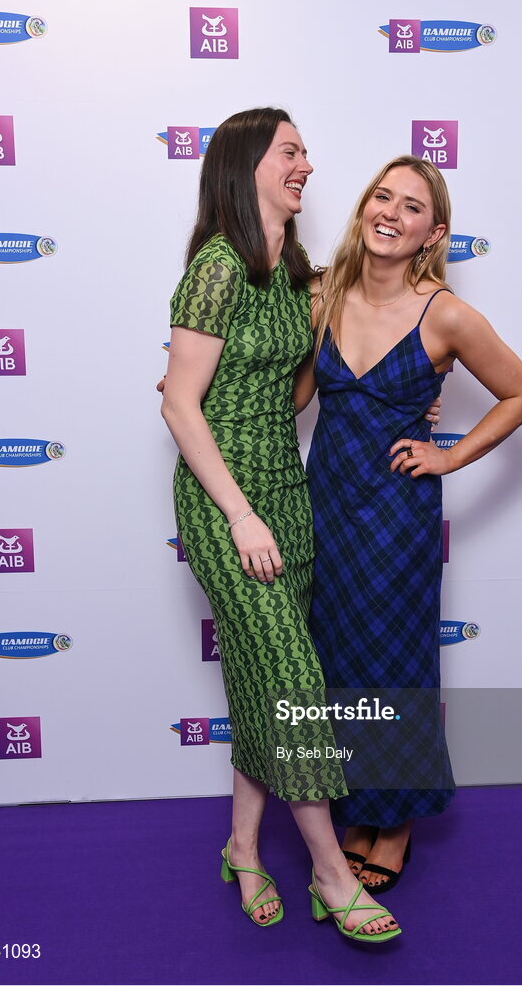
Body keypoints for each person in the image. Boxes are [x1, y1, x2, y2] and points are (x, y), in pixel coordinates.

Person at [160, 108, 402, 942]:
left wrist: (410, 396)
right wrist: (237, 515)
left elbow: (300, 390)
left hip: (285, 496)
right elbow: (178, 403)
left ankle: (243, 847)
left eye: (303, 153)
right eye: (290, 152)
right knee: (295, 685)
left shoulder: (295, 274)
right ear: (247, 165)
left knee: (265, 681)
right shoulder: (218, 270)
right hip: (228, 504)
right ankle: (333, 878)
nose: (306, 164)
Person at [295, 155, 522, 893]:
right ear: (364, 208)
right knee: (338, 660)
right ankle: (359, 808)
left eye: (410, 207)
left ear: (432, 233)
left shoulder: (447, 314)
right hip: (328, 505)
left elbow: (520, 395)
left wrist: (449, 456)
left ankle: (393, 823)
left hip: (396, 516)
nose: (390, 214)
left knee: (395, 663)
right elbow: (294, 396)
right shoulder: (323, 296)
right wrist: (200, 383)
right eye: (381, 197)